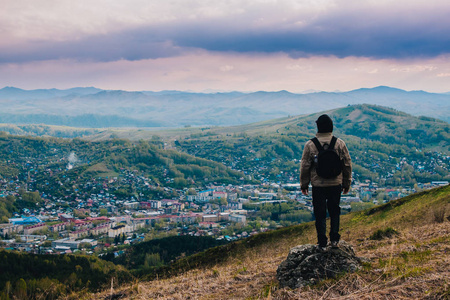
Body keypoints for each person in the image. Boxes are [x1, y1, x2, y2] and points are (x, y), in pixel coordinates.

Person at [300, 114, 352, 250]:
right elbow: (347, 164)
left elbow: (305, 166)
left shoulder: (310, 145)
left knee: (320, 213)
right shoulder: (339, 143)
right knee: (335, 211)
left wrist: (304, 184)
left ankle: (322, 241)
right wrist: (347, 183)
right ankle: (334, 239)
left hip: (318, 185)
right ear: (331, 127)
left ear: (318, 127)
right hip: (335, 184)